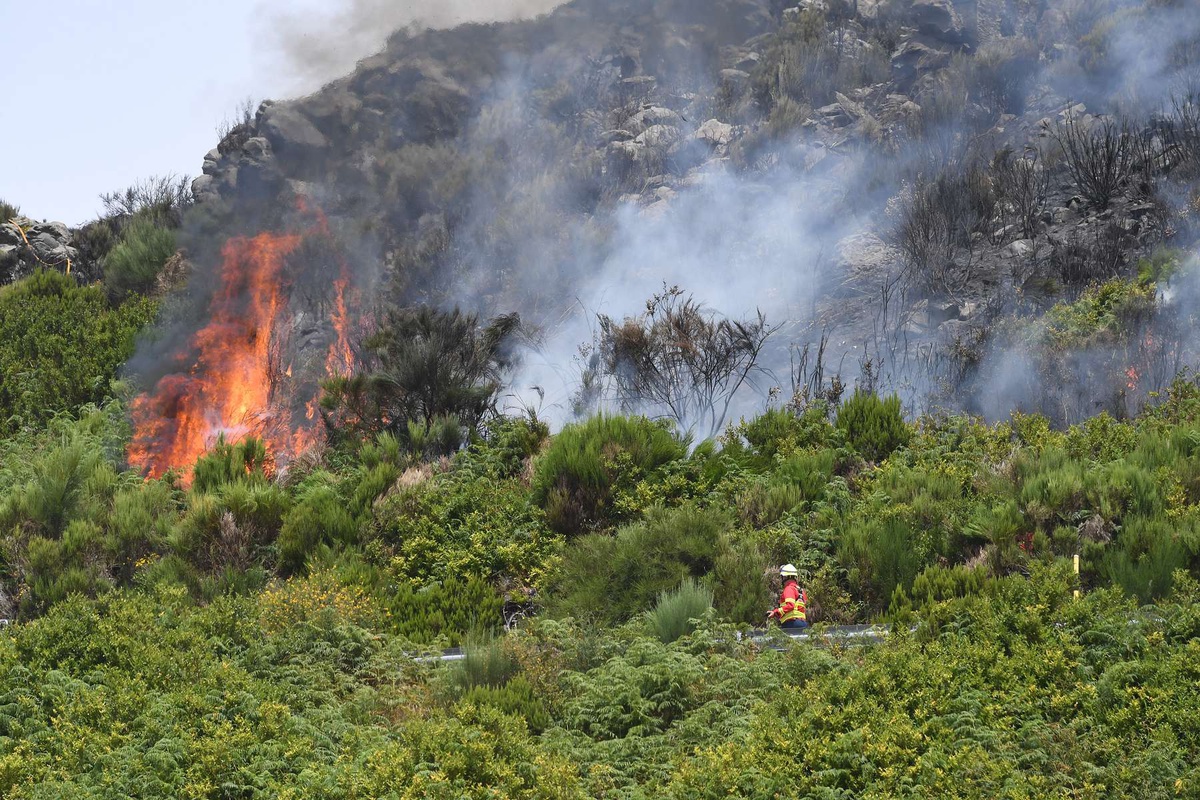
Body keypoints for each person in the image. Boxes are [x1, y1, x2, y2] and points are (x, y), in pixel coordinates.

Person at [767, 564, 808, 629]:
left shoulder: (789, 589)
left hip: (791, 623)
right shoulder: (801, 591)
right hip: (803, 623)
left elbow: (790, 605)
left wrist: (775, 612)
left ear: (785, 577)